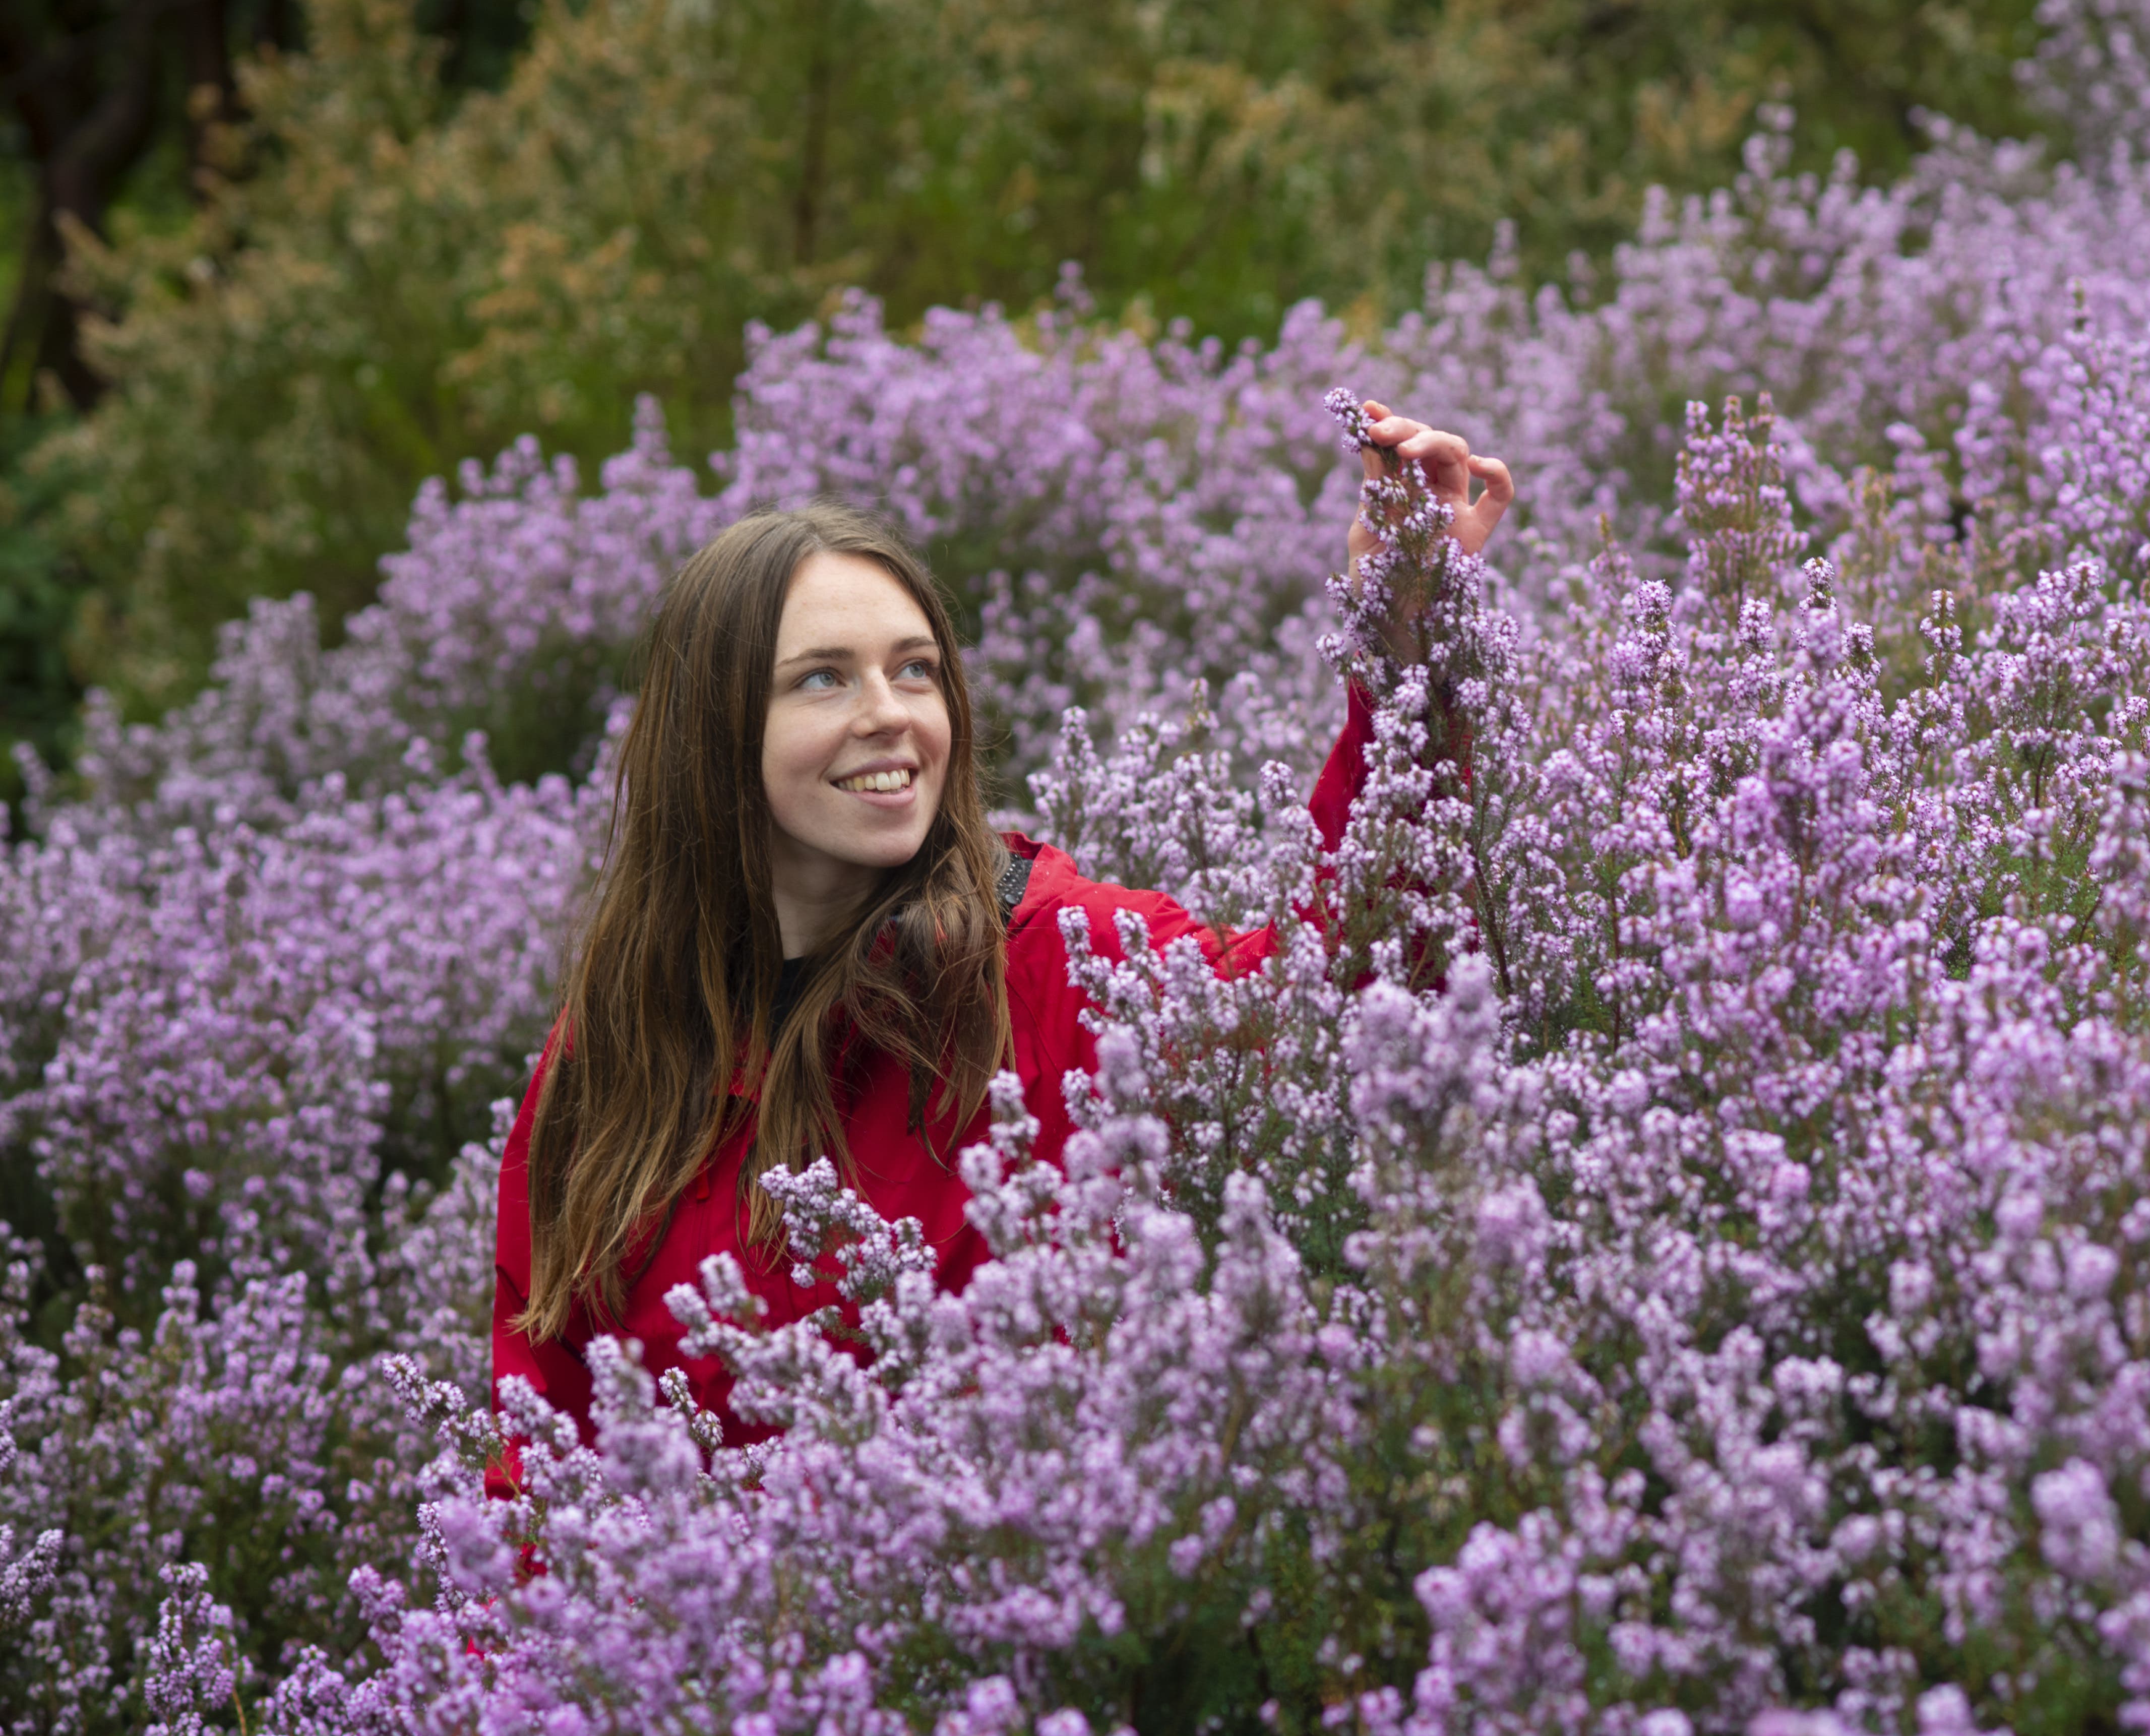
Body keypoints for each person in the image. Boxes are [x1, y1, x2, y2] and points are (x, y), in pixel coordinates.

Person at [489, 404, 1514, 1485]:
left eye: (916, 669)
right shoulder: (612, 1055)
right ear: (713, 735)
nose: (890, 713)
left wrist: (1406, 667)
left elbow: (1336, 1008)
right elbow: (539, 1456)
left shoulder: (1057, 962)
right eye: (822, 678)